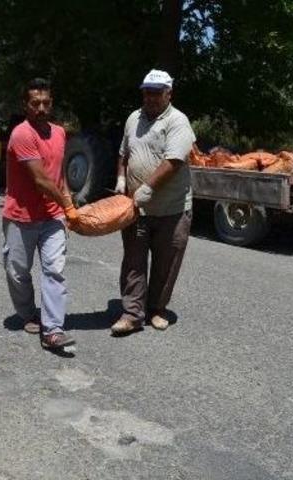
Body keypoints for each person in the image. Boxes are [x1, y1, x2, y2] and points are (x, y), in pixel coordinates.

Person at [111, 69, 196, 336]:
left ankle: (157, 309)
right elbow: (124, 153)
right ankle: (132, 314)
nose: (150, 97)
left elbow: (173, 161)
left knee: (166, 262)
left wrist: (148, 187)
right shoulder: (133, 118)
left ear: (169, 93)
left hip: (172, 209)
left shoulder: (178, 121)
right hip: (137, 207)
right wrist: (121, 180)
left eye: (157, 93)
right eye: (147, 92)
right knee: (134, 262)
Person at [2, 78, 80, 349]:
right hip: (20, 216)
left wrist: (67, 202)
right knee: (18, 272)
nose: (41, 108)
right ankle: (27, 313)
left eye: (46, 103)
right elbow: (41, 181)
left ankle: (53, 329)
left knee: (54, 270)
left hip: (52, 216)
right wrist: (68, 205)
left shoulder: (59, 133)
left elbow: (58, 176)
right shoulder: (22, 134)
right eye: (35, 103)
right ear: (26, 105)